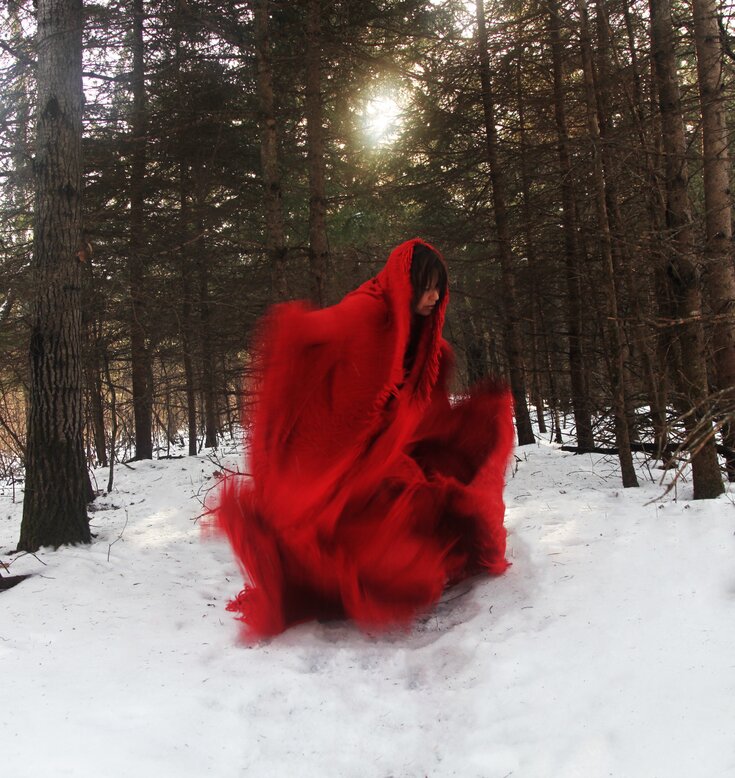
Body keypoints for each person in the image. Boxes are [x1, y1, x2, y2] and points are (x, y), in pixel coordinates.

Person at [213, 237, 514, 638]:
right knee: (378, 551)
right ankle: (336, 586)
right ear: (405, 284)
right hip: (346, 456)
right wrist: (294, 330)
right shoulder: (368, 310)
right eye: (425, 285)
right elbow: (326, 334)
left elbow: (418, 394)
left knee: (436, 501)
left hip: (383, 454)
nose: (434, 296)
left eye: (439, 287)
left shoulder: (422, 336)